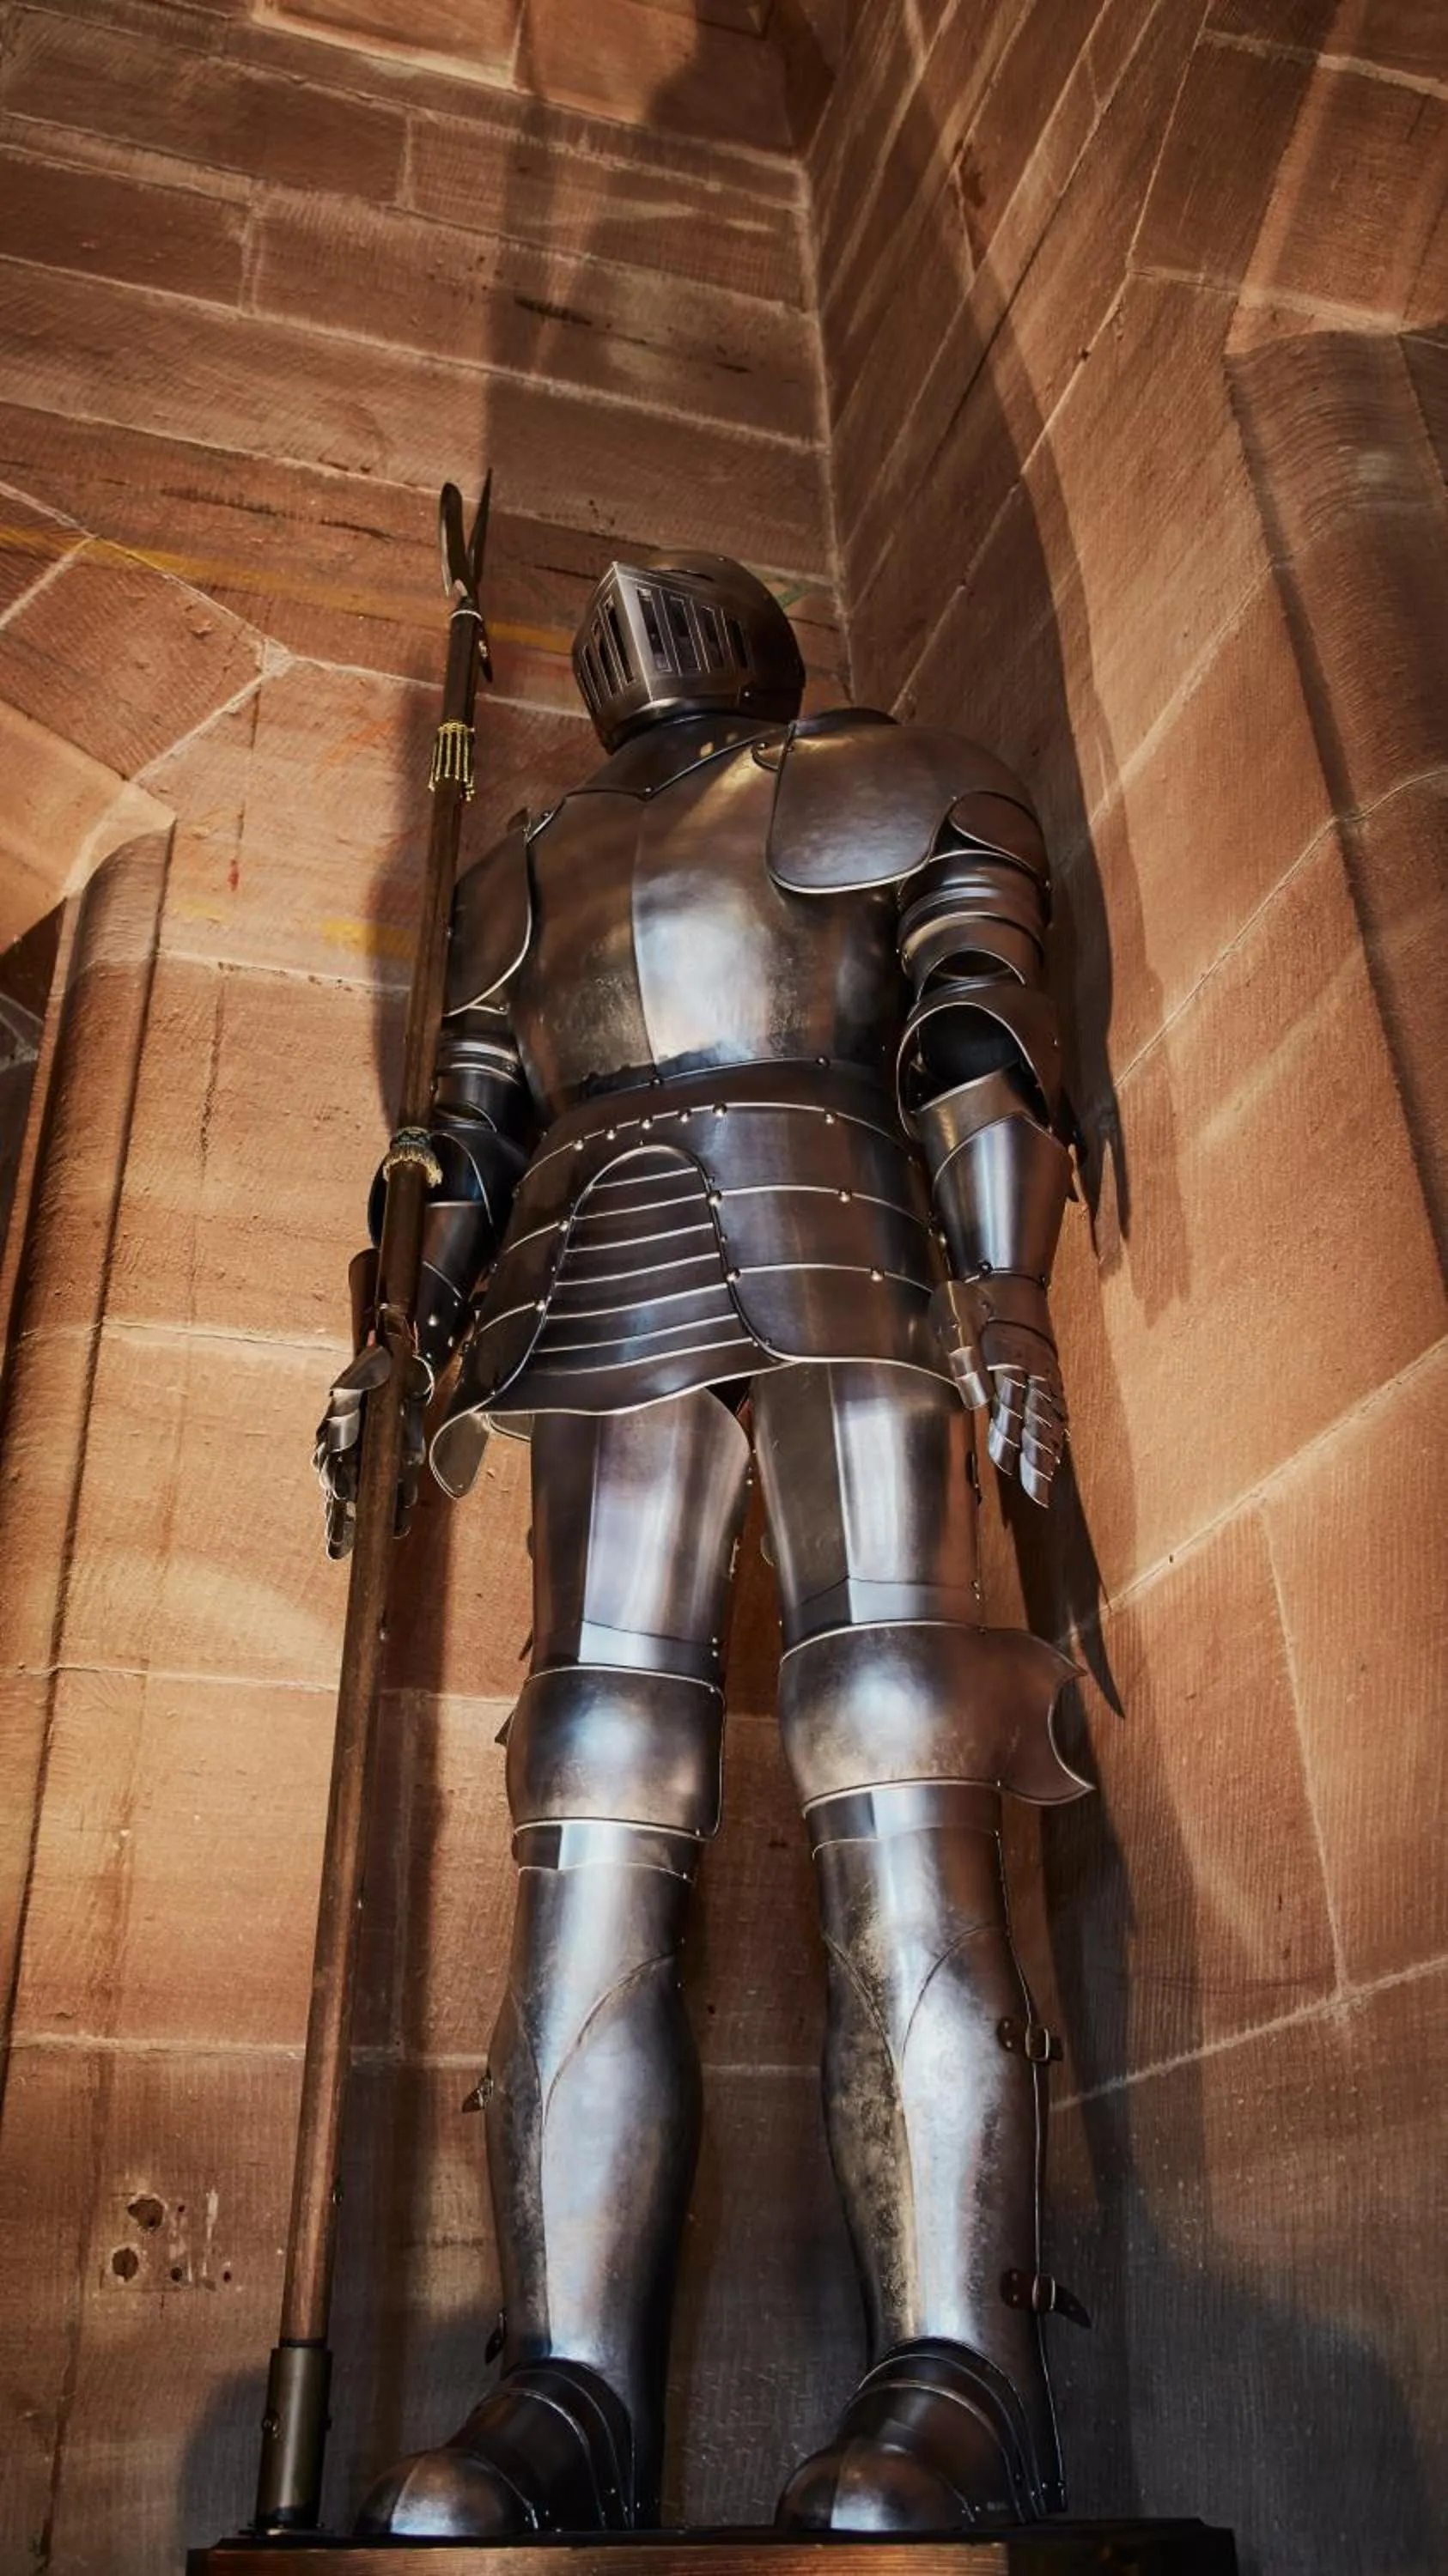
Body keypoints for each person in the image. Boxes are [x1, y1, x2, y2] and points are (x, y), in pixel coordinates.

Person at [317, 553, 1089, 2538]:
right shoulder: (531, 854)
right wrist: (394, 1329)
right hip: (588, 1275)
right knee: (587, 1780)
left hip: (847, 1227)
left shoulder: (905, 769)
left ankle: (961, 2369)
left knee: (897, 1731)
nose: (644, 615)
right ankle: (564, 2387)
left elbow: (975, 1016)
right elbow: (468, 1124)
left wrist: (1002, 1289)